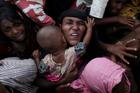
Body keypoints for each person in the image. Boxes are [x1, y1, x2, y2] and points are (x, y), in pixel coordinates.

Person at [34, 8, 131, 93]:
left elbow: (95, 47)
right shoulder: (49, 48)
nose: (75, 28)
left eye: (81, 24)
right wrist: (63, 82)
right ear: (60, 27)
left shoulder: (90, 44)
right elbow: (38, 81)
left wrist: (111, 53)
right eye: (69, 23)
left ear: (86, 28)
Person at [33, 17, 94, 86]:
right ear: (63, 40)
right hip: (74, 81)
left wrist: (37, 58)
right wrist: (89, 28)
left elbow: (41, 71)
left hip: (58, 85)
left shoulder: (46, 61)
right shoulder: (71, 53)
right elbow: (85, 43)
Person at [0, 3, 39, 93]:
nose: (15, 31)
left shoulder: (37, 36)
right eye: (7, 29)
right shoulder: (3, 46)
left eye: (17, 24)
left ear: (22, 19)